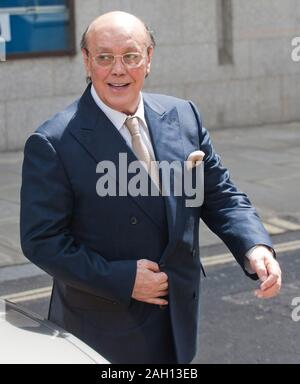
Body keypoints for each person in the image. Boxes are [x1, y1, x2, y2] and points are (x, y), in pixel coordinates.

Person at [20, 11, 282, 364]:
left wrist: (254, 246)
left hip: (178, 319)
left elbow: (218, 194)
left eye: (130, 56)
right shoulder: (53, 141)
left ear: (149, 58)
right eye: (104, 57)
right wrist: (124, 279)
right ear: (86, 60)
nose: (118, 69)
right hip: (104, 327)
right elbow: (42, 240)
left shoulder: (184, 115)